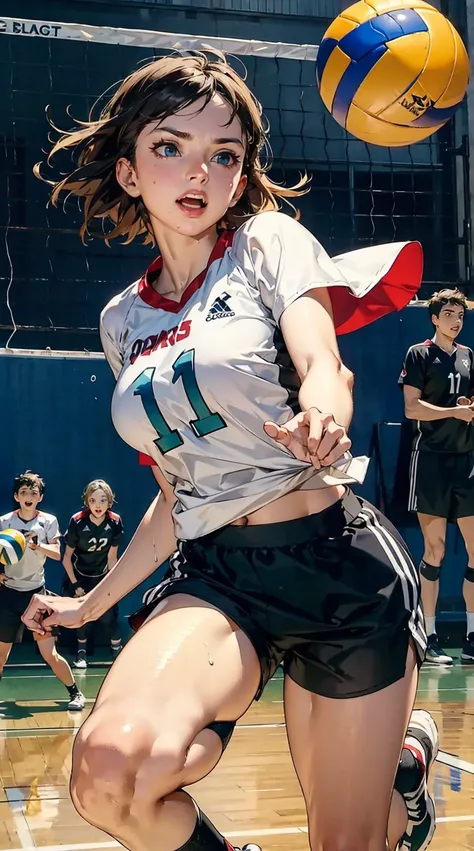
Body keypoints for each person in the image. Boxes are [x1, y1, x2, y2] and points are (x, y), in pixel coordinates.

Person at [23, 52, 436, 851]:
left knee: (348, 842)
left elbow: (322, 361)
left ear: (242, 174)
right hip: (220, 575)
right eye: (170, 147)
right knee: (109, 770)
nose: (198, 171)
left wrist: (323, 409)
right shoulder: (121, 322)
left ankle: (399, 775)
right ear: (130, 169)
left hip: (337, 569)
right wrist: (89, 605)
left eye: (224, 155)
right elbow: (177, 494)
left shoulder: (266, 243)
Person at [399, 288, 474, 666]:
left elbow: (467, 406)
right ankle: (427, 637)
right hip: (429, 461)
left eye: (459, 314)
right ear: (434, 318)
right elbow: (412, 408)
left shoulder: (467, 356)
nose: (455, 320)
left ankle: (472, 635)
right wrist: (450, 413)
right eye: (448, 313)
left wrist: (467, 408)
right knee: (436, 551)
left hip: (465, 462)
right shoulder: (419, 353)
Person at [0, 471, 85, 710]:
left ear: (40, 497)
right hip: (8, 595)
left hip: (36, 596)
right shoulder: (4, 521)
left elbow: (59, 554)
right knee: (1, 655)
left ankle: (75, 693)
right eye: (24, 492)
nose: (29, 496)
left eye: (33, 493)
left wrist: (38, 545)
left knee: (50, 653)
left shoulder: (48, 522)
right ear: (17, 496)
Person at [62, 479, 124, 668]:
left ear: (110, 502)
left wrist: (111, 584)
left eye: (103, 500)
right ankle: (81, 653)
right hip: (80, 575)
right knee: (82, 614)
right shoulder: (77, 521)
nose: (98, 505)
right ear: (87, 501)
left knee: (107, 617)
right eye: (93, 500)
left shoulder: (114, 521)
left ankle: (118, 649)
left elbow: (112, 558)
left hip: (101, 575)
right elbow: (66, 558)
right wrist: (75, 585)